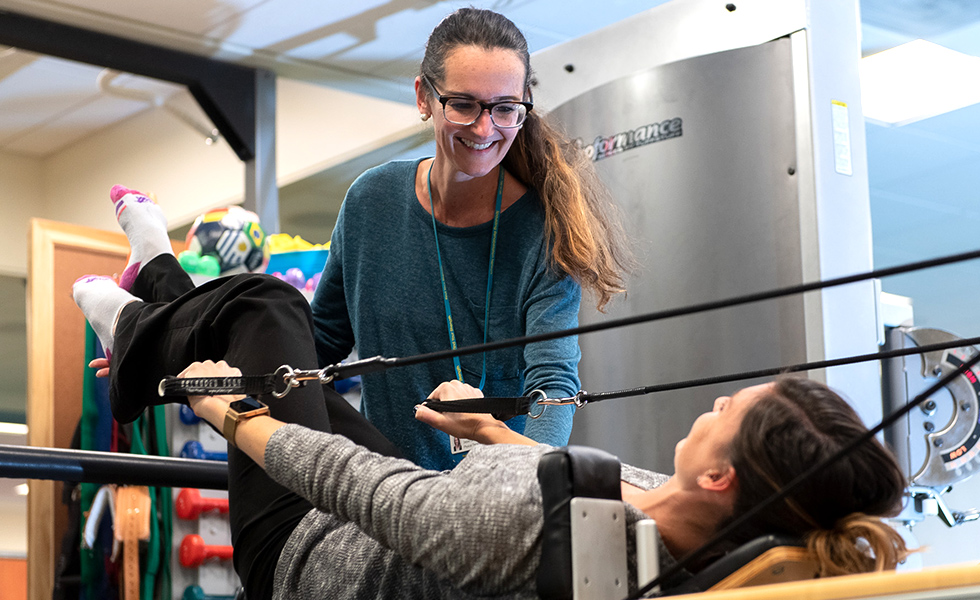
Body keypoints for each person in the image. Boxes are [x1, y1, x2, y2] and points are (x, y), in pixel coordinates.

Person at [72, 190, 907, 599]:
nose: (716, 402)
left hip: (304, 556)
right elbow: (566, 471)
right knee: (284, 360)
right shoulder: (682, 522)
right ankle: (156, 288)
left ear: (723, 476)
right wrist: (483, 433)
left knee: (265, 307)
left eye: (731, 411)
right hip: (411, 509)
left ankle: (143, 322)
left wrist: (227, 411)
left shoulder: (551, 530)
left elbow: (362, 486)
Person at [310, 7, 633, 469]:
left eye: (505, 109)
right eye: (463, 104)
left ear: (525, 106)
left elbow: (553, 384)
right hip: (381, 495)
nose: (485, 129)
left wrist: (531, 479)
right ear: (424, 97)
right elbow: (319, 345)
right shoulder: (371, 200)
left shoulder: (545, 228)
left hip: (494, 493)